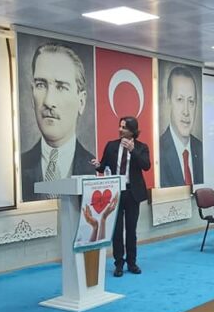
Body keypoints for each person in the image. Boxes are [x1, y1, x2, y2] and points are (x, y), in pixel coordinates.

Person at [21, 43, 96, 201]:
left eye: (61, 87)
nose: (49, 101)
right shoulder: (19, 167)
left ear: (81, 102)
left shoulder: (94, 166)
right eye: (41, 85)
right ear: (32, 95)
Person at [93, 116, 151, 277]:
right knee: (117, 230)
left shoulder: (141, 147)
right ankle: (119, 263)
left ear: (132, 131)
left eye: (124, 127)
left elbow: (146, 166)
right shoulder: (111, 146)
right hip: (115, 193)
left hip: (133, 193)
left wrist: (133, 151)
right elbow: (103, 166)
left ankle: (132, 262)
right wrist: (98, 165)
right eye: (120, 126)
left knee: (131, 230)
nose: (120, 129)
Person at [159, 66, 203, 188]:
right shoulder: (158, 150)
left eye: (191, 101)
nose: (186, 111)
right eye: (179, 100)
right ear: (169, 102)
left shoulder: (201, 149)